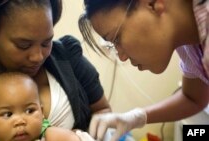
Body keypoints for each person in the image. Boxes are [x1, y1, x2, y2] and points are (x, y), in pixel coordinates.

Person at [0, 0, 111, 140]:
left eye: (46, 42)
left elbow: (102, 110)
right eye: (24, 45)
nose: (38, 57)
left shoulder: (68, 56)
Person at [78, 0, 209, 141]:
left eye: (116, 39)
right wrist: (136, 117)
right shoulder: (187, 45)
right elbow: (193, 98)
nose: (121, 57)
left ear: (151, 4)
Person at [0, 72, 84, 141]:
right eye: (8, 114)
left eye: (29, 111)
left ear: (42, 112)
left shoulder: (51, 136)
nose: (20, 121)